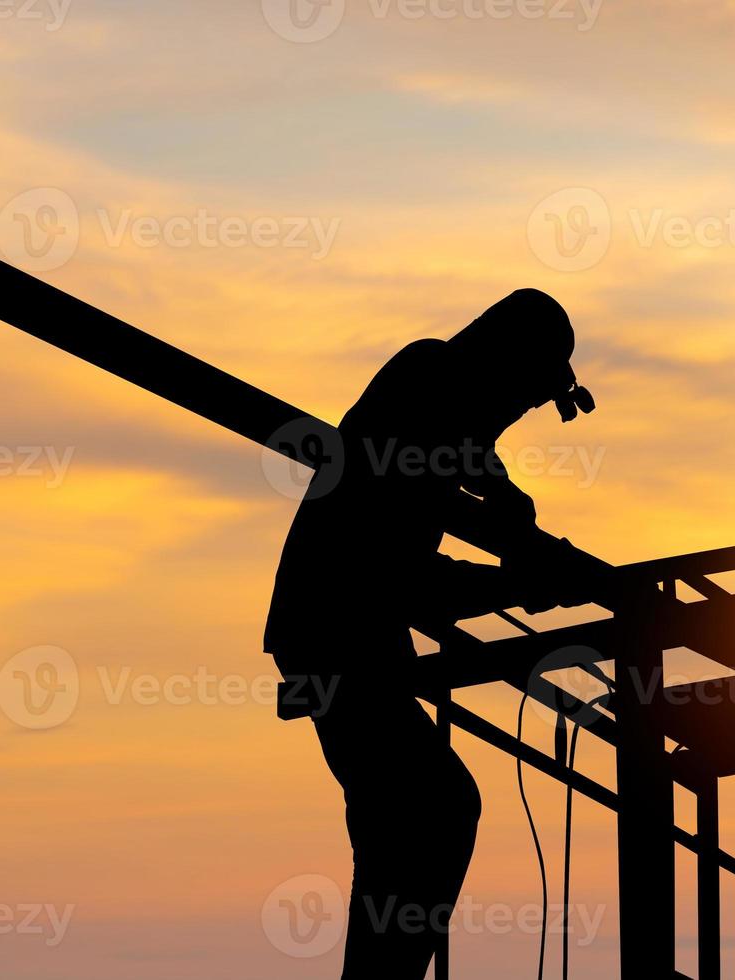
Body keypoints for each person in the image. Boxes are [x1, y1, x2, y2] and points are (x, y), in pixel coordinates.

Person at [264, 288, 594, 979]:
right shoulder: (429, 381)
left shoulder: (444, 412)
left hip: (353, 632)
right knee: (432, 809)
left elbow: (426, 547)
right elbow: (405, 573)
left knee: (409, 821)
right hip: (337, 634)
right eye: (525, 395)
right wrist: (517, 562)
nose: (517, 413)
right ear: (504, 363)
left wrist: (515, 532)